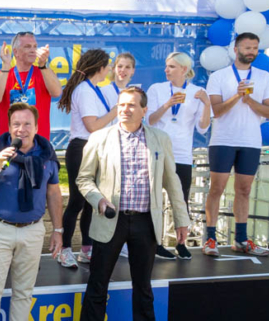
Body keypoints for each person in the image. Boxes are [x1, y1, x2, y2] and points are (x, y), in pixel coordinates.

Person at [77, 87, 190, 321]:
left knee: (143, 287)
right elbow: (84, 179)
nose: (125, 109)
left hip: (145, 222)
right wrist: (98, 201)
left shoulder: (160, 139)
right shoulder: (99, 138)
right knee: (97, 285)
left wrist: (182, 219)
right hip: (110, 221)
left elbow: (172, 181)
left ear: (144, 110)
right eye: (121, 105)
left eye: (131, 105)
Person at [0, 102, 63, 321]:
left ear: (36, 127)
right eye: (16, 124)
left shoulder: (47, 154)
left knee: (24, 294)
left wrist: (58, 229)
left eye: (27, 124)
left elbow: (53, 194)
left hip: (32, 231)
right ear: (9, 126)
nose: (21, 129)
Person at [204, 32, 269, 257]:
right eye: (247, 47)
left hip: (250, 141)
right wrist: (237, 97)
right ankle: (210, 239)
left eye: (255, 48)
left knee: (244, 190)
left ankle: (241, 240)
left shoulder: (264, 77)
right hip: (223, 140)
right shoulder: (218, 76)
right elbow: (215, 111)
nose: (251, 52)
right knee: (216, 189)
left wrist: (249, 101)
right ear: (236, 50)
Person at [145, 52, 211, 260]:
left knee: (181, 199)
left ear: (184, 69)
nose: (167, 70)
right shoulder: (157, 89)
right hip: (157, 151)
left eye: (172, 66)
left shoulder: (197, 92)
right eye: (166, 66)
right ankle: (155, 242)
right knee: (153, 198)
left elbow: (203, 127)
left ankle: (180, 243)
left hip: (181, 153)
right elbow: (150, 121)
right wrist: (167, 104)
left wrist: (207, 104)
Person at [55, 49, 115, 268]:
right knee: (77, 201)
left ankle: (87, 249)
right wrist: (116, 111)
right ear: (100, 67)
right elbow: (92, 125)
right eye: (108, 65)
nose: (110, 69)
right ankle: (65, 249)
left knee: (92, 201)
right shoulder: (84, 90)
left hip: (97, 149)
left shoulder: (95, 90)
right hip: (82, 148)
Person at [0, 32, 62, 139]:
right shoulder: (3, 74)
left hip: (38, 142)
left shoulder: (44, 72)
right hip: (9, 142)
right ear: (16, 52)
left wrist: (43, 65)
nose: (33, 50)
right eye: (27, 47)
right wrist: (6, 65)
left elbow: (56, 93)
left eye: (35, 47)